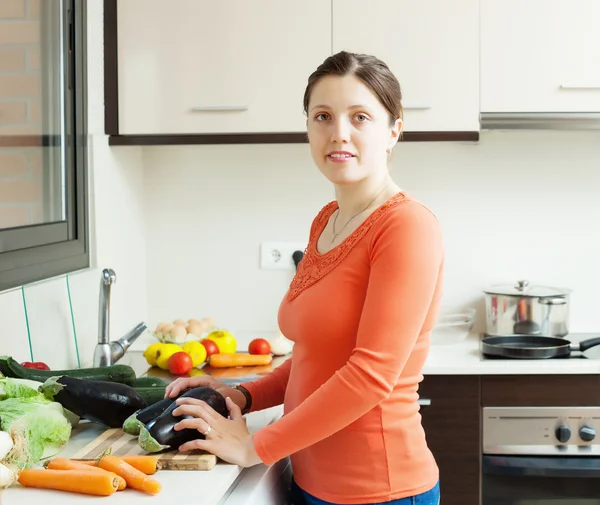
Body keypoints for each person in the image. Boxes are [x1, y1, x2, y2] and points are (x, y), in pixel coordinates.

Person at [165, 50, 444, 505]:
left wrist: (256, 446)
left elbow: (371, 375)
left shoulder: (407, 226)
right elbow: (318, 354)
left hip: (380, 490)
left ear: (393, 130)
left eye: (360, 117)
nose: (339, 133)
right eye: (323, 116)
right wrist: (243, 393)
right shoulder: (327, 221)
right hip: (312, 481)